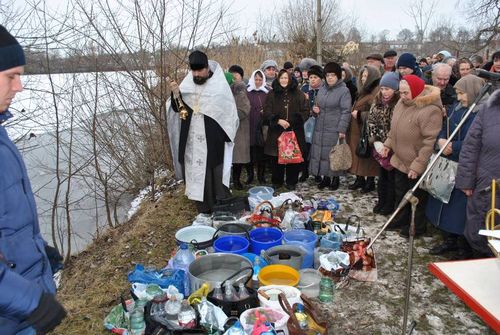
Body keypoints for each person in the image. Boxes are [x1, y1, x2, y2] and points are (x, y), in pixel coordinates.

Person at [0, 25, 66, 334]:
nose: (20, 87)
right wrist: (31, 302)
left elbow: (9, 216)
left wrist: (38, 248)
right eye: (11, 76)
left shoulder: (1, 134)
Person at [168, 50, 238, 214]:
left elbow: (228, 112)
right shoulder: (187, 84)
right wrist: (175, 94)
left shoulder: (219, 86)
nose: (197, 74)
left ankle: (219, 205)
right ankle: (202, 207)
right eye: (194, 71)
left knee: (214, 171)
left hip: (213, 138)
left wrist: (224, 136)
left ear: (207, 68)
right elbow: (179, 109)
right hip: (192, 138)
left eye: (200, 70)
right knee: (197, 171)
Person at [426, 75, 488, 258]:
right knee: (445, 203)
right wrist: (441, 141)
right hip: (448, 163)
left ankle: (464, 246)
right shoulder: (457, 109)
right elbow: (444, 128)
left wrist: (455, 146)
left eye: (462, 93)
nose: (459, 97)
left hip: (466, 166)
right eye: (458, 93)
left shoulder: (482, 113)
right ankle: (449, 239)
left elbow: (478, 141)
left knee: (460, 210)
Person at [381, 75, 443, 237]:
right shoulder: (402, 103)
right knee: (401, 192)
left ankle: (417, 225)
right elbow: (395, 128)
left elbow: (430, 142)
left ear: (416, 91)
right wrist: (388, 144)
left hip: (417, 162)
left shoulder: (430, 110)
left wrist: (418, 166)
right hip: (401, 159)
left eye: (406, 92)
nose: (402, 96)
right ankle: (401, 218)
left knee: (416, 197)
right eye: (400, 92)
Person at [455, 89, 500, 258]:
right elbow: (471, 146)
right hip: (487, 185)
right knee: (480, 232)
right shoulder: (490, 108)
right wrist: (466, 180)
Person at [309, 62, 352, 190]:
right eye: (328, 75)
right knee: (322, 154)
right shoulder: (322, 89)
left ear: (338, 76)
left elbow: (346, 111)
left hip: (334, 128)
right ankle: (325, 178)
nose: (330, 78)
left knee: (333, 154)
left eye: (333, 75)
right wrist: (314, 111)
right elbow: (317, 106)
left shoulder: (344, 91)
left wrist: (342, 129)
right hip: (320, 127)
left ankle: (335, 178)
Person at [263, 69, 308, 190]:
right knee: (276, 157)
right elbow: (266, 111)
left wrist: (294, 121)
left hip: (294, 130)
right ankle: (277, 181)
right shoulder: (271, 94)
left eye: (286, 78)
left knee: (293, 157)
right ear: (278, 79)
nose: (284, 80)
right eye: (281, 78)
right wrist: (277, 120)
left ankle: (291, 181)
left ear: (290, 79)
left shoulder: (298, 94)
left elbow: (305, 111)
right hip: (276, 131)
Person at [367, 72, 400, 215]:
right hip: (380, 146)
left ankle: (389, 204)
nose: (385, 92)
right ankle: (381, 201)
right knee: (382, 177)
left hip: (393, 146)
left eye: (388, 89)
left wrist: (388, 145)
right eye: (382, 88)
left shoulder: (399, 103)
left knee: (392, 178)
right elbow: (371, 121)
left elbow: (397, 127)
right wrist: (375, 141)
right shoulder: (377, 102)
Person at [347, 65, 381, 193]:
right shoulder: (363, 90)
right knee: (358, 155)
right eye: (362, 76)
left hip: (366, 130)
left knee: (367, 157)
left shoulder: (375, 92)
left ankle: (370, 181)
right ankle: (359, 179)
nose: (363, 79)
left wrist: (360, 115)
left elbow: (376, 112)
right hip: (356, 129)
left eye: (366, 76)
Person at [228, 66, 251, 190]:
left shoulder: (241, 90)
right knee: (228, 156)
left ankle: (236, 181)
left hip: (240, 128)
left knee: (238, 158)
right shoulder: (225, 89)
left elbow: (244, 110)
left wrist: (229, 114)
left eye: (237, 74)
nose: (234, 77)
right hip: (227, 128)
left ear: (241, 76)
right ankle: (228, 180)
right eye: (232, 74)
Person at [300, 65, 324, 183]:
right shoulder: (304, 89)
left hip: (320, 124)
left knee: (316, 149)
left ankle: (316, 173)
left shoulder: (325, 90)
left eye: (315, 77)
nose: (313, 79)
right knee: (305, 148)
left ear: (320, 79)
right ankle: (304, 172)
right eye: (311, 77)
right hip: (306, 123)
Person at [247, 69, 269, 184]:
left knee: (261, 152)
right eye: (256, 79)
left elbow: (271, 107)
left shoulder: (267, 92)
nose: (258, 82)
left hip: (261, 127)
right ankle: (250, 175)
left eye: (260, 80)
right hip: (249, 125)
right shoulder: (247, 91)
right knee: (250, 152)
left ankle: (261, 175)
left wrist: (265, 111)